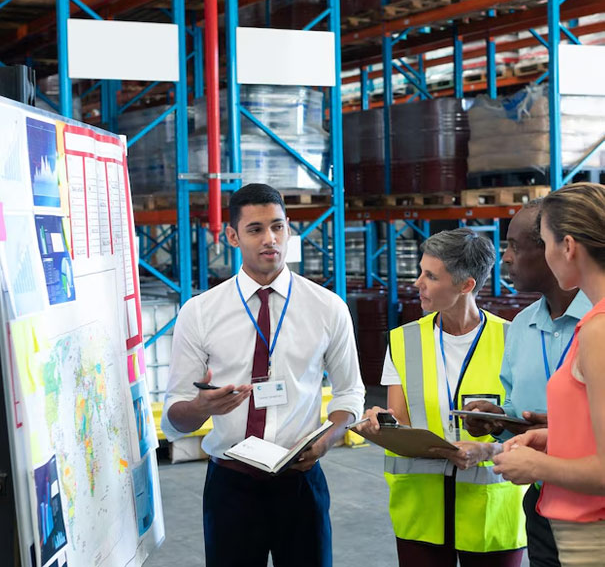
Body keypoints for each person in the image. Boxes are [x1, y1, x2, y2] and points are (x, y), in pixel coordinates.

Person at [160, 183, 365, 567]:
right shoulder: (201, 312)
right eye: (255, 229)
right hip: (231, 487)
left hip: (300, 482)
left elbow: (350, 392)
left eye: (278, 227)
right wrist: (201, 408)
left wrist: (327, 440)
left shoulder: (327, 308)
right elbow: (174, 416)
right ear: (233, 236)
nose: (270, 239)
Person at [358, 229, 526, 567]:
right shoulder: (403, 340)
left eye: (431, 276)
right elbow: (399, 421)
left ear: (466, 285)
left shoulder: (514, 339)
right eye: (420, 271)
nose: (417, 283)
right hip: (421, 509)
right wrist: (380, 423)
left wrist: (488, 448)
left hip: (493, 509)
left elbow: (528, 426)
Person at [462, 200, 591, 567]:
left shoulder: (596, 325)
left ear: (556, 248)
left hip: (592, 505)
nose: (505, 258)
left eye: (514, 246)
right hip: (541, 501)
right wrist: (498, 419)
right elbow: (518, 408)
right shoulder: (521, 326)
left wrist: (563, 430)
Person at [493, 183, 605, 567]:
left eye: (545, 242)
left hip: (590, 534)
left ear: (567, 246)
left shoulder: (598, 329)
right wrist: (554, 438)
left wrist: (536, 466)